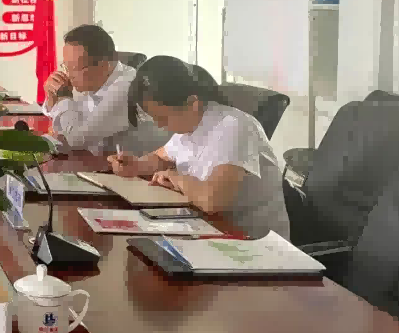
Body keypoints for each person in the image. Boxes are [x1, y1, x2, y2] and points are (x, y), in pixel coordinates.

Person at [108, 56, 290, 238]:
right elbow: (161, 157)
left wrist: (176, 177)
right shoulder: (189, 123)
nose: (160, 125)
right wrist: (136, 165)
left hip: (252, 241)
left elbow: (211, 200)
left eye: (163, 118)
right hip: (206, 229)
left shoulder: (235, 126)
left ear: (192, 103)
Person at [41, 25, 154, 155]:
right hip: (98, 159)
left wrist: (64, 97)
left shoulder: (125, 88)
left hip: (128, 165)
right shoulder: (94, 81)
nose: (68, 75)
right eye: (66, 67)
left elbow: (76, 139)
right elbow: (66, 125)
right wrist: (53, 99)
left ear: (104, 64)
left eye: (74, 68)